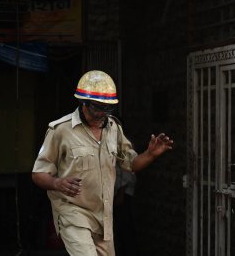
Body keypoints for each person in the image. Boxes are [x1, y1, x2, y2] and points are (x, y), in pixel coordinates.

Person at [31, 70, 173, 256]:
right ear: (83, 103)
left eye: (107, 109)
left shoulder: (113, 128)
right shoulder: (60, 130)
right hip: (73, 212)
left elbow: (131, 165)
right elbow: (38, 174)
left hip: (104, 217)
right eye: (96, 108)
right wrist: (57, 183)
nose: (101, 114)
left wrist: (150, 154)